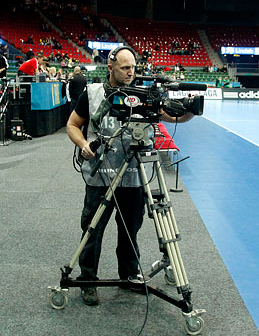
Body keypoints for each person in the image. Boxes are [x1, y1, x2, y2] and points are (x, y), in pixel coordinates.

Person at [65, 47, 194, 306]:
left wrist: (191, 109)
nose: (130, 73)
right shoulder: (92, 94)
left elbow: (173, 116)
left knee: (130, 230)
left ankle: (129, 275)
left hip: (134, 176)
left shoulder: (144, 94)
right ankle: (88, 280)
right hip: (100, 175)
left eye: (133, 67)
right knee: (92, 228)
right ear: (110, 67)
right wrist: (82, 145)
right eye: (125, 68)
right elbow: (72, 125)